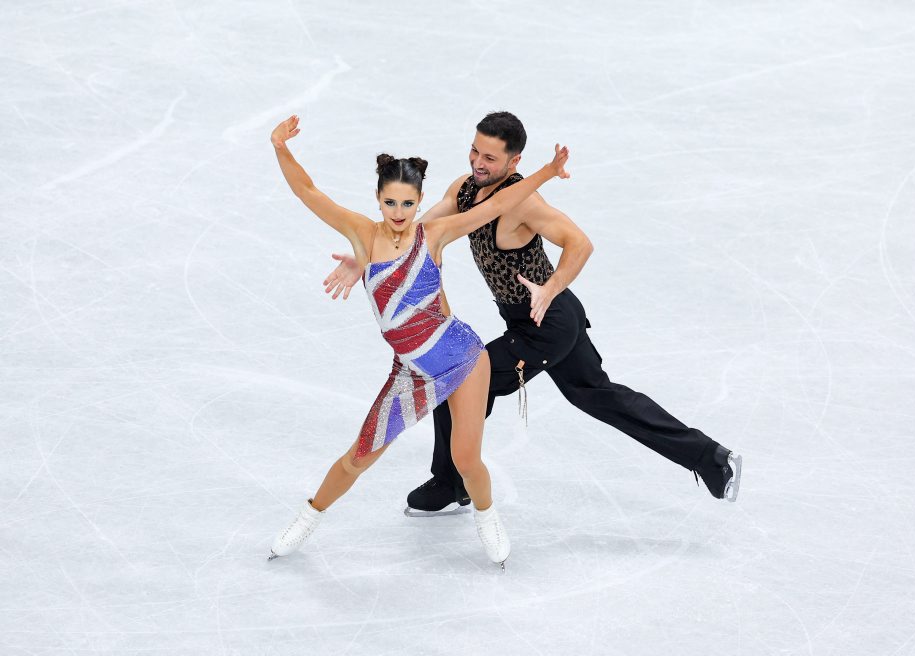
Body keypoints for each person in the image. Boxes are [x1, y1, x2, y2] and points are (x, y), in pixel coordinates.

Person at [323, 111, 742, 516]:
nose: (478, 163)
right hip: (538, 320)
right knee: (598, 395)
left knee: (457, 377)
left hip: (548, 322)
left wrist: (550, 288)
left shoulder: (524, 203)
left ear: (514, 161)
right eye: (475, 151)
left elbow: (580, 243)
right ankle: (712, 458)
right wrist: (369, 257)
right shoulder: (465, 188)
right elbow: (413, 234)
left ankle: (450, 483)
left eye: (490, 157)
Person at [266, 114, 570, 567]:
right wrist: (280, 147)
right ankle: (308, 517)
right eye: (390, 202)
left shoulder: (435, 235)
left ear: (420, 201)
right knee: (358, 456)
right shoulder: (362, 234)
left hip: (464, 359)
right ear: (378, 199)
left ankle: (487, 517)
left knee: (466, 460)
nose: (398, 212)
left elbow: (495, 206)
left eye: (408, 203)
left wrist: (546, 171)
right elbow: (308, 192)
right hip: (410, 372)